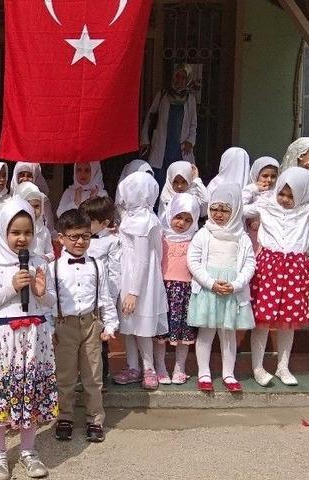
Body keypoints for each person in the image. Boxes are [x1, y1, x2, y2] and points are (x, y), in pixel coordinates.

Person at [0, 199, 57, 480]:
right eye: (15, 232)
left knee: (28, 393)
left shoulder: (40, 262)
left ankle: (29, 451)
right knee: (0, 394)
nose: (22, 239)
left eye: (27, 232)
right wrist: (11, 287)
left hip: (34, 338)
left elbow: (51, 302)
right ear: (3, 230)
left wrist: (41, 292)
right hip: (2, 339)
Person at [245, 165, 309, 387]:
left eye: (292, 195)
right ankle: (258, 367)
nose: (285, 199)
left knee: (288, 322)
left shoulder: (307, 209)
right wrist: (253, 188)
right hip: (268, 267)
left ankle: (283, 366)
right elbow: (239, 208)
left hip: (295, 270)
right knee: (261, 322)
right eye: (282, 193)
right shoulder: (265, 205)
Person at [52, 208, 118, 444]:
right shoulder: (54, 268)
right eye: (74, 236)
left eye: (86, 236)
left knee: (93, 375)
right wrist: (51, 329)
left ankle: (95, 419)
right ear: (61, 238)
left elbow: (105, 297)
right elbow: (50, 300)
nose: (80, 241)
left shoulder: (97, 265)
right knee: (65, 376)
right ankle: (65, 417)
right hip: (64, 324)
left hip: (91, 324)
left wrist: (109, 324)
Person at [186, 184, 256, 392]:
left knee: (228, 335)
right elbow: (193, 260)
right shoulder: (203, 234)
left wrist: (235, 285)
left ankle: (228, 374)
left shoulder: (242, 237)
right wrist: (210, 283)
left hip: (231, 293)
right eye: (214, 208)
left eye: (225, 210)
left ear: (235, 211)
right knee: (206, 333)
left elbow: (249, 263)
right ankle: (204, 373)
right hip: (209, 291)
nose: (218, 214)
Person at [111, 172, 168, 390]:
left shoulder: (144, 220)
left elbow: (143, 259)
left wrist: (134, 291)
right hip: (128, 274)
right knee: (128, 325)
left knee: (142, 325)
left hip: (140, 280)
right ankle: (132, 366)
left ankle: (148, 367)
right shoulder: (132, 217)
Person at [154, 193, 199, 385]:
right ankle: (160, 367)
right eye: (178, 217)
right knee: (160, 333)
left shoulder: (195, 240)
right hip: (163, 290)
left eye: (188, 219)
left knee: (184, 333)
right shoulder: (161, 237)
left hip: (186, 292)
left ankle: (180, 367)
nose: (182, 223)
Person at [79, 196, 121, 379]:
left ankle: (100, 377)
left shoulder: (111, 241)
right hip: (80, 295)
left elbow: (115, 273)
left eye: (89, 221)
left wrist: (110, 299)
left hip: (100, 299)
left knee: (100, 339)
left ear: (104, 223)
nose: (84, 223)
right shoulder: (79, 239)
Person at [140, 63, 198, 193]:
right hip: (162, 145)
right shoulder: (163, 95)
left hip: (180, 147)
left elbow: (193, 123)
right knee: (159, 179)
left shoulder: (190, 99)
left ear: (187, 79)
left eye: (183, 77)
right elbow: (150, 117)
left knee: (179, 179)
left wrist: (190, 141)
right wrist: (145, 140)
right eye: (178, 76)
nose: (180, 80)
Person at [243, 156, 280, 253]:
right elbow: (240, 207)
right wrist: (253, 189)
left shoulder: (278, 194)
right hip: (251, 237)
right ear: (256, 175)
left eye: (273, 176)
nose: (269, 180)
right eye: (265, 176)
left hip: (270, 239)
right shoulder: (250, 191)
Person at [11, 162, 57, 235]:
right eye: (21, 175)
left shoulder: (42, 200)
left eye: (29, 175)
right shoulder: (10, 200)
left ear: (36, 176)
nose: (25, 179)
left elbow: (49, 227)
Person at [14, 182, 54, 262]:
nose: (33, 211)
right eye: (29, 206)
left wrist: (46, 258)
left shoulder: (44, 231)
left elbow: (50, 252)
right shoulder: (14, 230)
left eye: (36, 206)